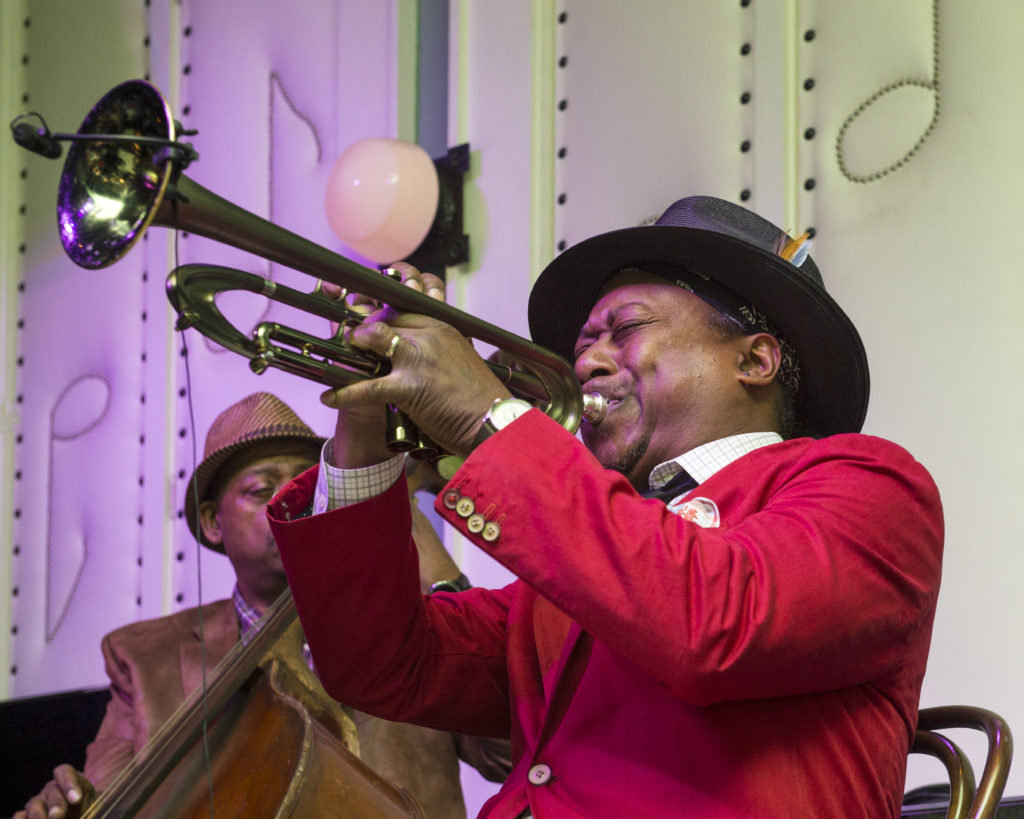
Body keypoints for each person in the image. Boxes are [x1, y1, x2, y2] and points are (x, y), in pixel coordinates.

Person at [266, 196, 944, 818]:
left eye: (624, 328)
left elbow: (713, 623)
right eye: (584, 342)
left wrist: (487, 417)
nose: (585, 362)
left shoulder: (869, 485)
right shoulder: (581, 562)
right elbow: (380, 663)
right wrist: (365, 434)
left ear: (755, 360)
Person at [17, 391, 510, 819]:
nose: (288, 502)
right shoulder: (144, 654)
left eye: (306, 484)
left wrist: (437, 570)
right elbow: (111, 798)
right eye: (260, 490)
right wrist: (75, 805)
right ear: (212, 523)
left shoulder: (411, 622)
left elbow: (505, 756)